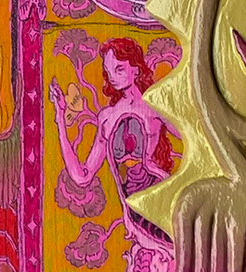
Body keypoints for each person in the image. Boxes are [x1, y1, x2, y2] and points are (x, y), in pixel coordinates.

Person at [51, 36, 177, 254]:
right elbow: (82, 176)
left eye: (119, 69)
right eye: (109, 72)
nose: (113, 77)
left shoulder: (155, 106)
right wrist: (60, 118)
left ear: (135, 70)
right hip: (134, 211)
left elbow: (194, 139)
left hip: (161, 197)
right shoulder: (107, 118)